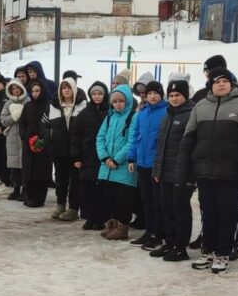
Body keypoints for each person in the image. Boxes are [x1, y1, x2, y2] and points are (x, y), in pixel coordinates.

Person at [178, 68, 238, 274]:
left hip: (231, 173)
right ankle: (208, 251)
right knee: (208, 213)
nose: (221, 84)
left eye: (225, 81)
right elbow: (188, 140)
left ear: (231, 84)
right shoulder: (201, 107)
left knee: (227, 215)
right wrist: (184, 171)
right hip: (204, 171)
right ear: (210, 85)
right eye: (216, 81)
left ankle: (223, 252)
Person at [152, 78, 194, 261]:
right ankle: (169, 242)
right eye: (171, 95)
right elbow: (160, 146)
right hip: (165, 173)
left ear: (185, 96)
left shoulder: (191, 114)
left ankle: (181, 246)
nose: (174, 98)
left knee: (181, 210)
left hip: (182, 174)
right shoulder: (168, 115)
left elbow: (191, 147)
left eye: (178, 95)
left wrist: (188, 174)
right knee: (167, 209)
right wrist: (157, 170)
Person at [128, 80, 168, 248]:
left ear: (161, 95)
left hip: (156, 165)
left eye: (156, 93)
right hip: (142, 164)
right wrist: (132, 157)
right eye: (149, 93)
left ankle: (158, 234)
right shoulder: (142, 113)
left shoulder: (166, 112)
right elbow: (136, 136)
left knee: (157, 201)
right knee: (146, 200)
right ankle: (148, 232)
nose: (152, 96)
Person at [96, 84, 138, 238]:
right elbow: (100, 138)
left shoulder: (133, 117)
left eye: (121, 101)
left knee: (123, 199)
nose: (118, 104)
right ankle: (111, 224)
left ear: (127, 101)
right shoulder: (109, 117)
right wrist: (105, 157)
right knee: (109, 197)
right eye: (115, 101)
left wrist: (117, 159)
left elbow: (132, 142)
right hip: (107, 167)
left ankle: (122, 227)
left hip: (123, 167)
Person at [71, 82, 110, 229]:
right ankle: (89, 217)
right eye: (94, 94)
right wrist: (76, 157)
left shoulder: (109, 112)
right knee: (87, 189)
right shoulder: (85, 113)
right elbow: (75, 135)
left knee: (101, 189)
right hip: (87, 157)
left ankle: (100, 218)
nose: (97, 96)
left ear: (104, 94)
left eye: (100, 93)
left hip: (103, 157)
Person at [49, 78, 87, 220]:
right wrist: (50, 136)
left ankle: (73, 208)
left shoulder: (82, 105)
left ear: (74, 89)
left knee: (75, 180)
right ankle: (60, 205)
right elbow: (44, 124)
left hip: (76, 150)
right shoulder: (53, 105)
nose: (66, 90)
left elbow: (85, 127)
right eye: (63, 88)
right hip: (59, 149)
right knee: (60, 179)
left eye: (69, 88)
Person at [19, 80, 53, 207]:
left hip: (43, 143)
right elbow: (22, 123)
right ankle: (29, 195)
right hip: (29, 142)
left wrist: (43, 139)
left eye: (37, 91)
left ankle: (39, 198)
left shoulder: (49, 106)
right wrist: (24, 136)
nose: (35, 94)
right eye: (32, 91)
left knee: (41, 171)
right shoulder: (27, 106)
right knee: (29, 170)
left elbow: (50, 125)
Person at [0, 79, 29, 201]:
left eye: (17, 88)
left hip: (24, 136)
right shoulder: (8, 103)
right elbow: (3, 119)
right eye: (13, 89)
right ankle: (16, 189)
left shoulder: (27, 102)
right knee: (14, 167)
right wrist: (13, 117)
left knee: (25, 165)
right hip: (12, 136)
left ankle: (25, 190)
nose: (15, 90)